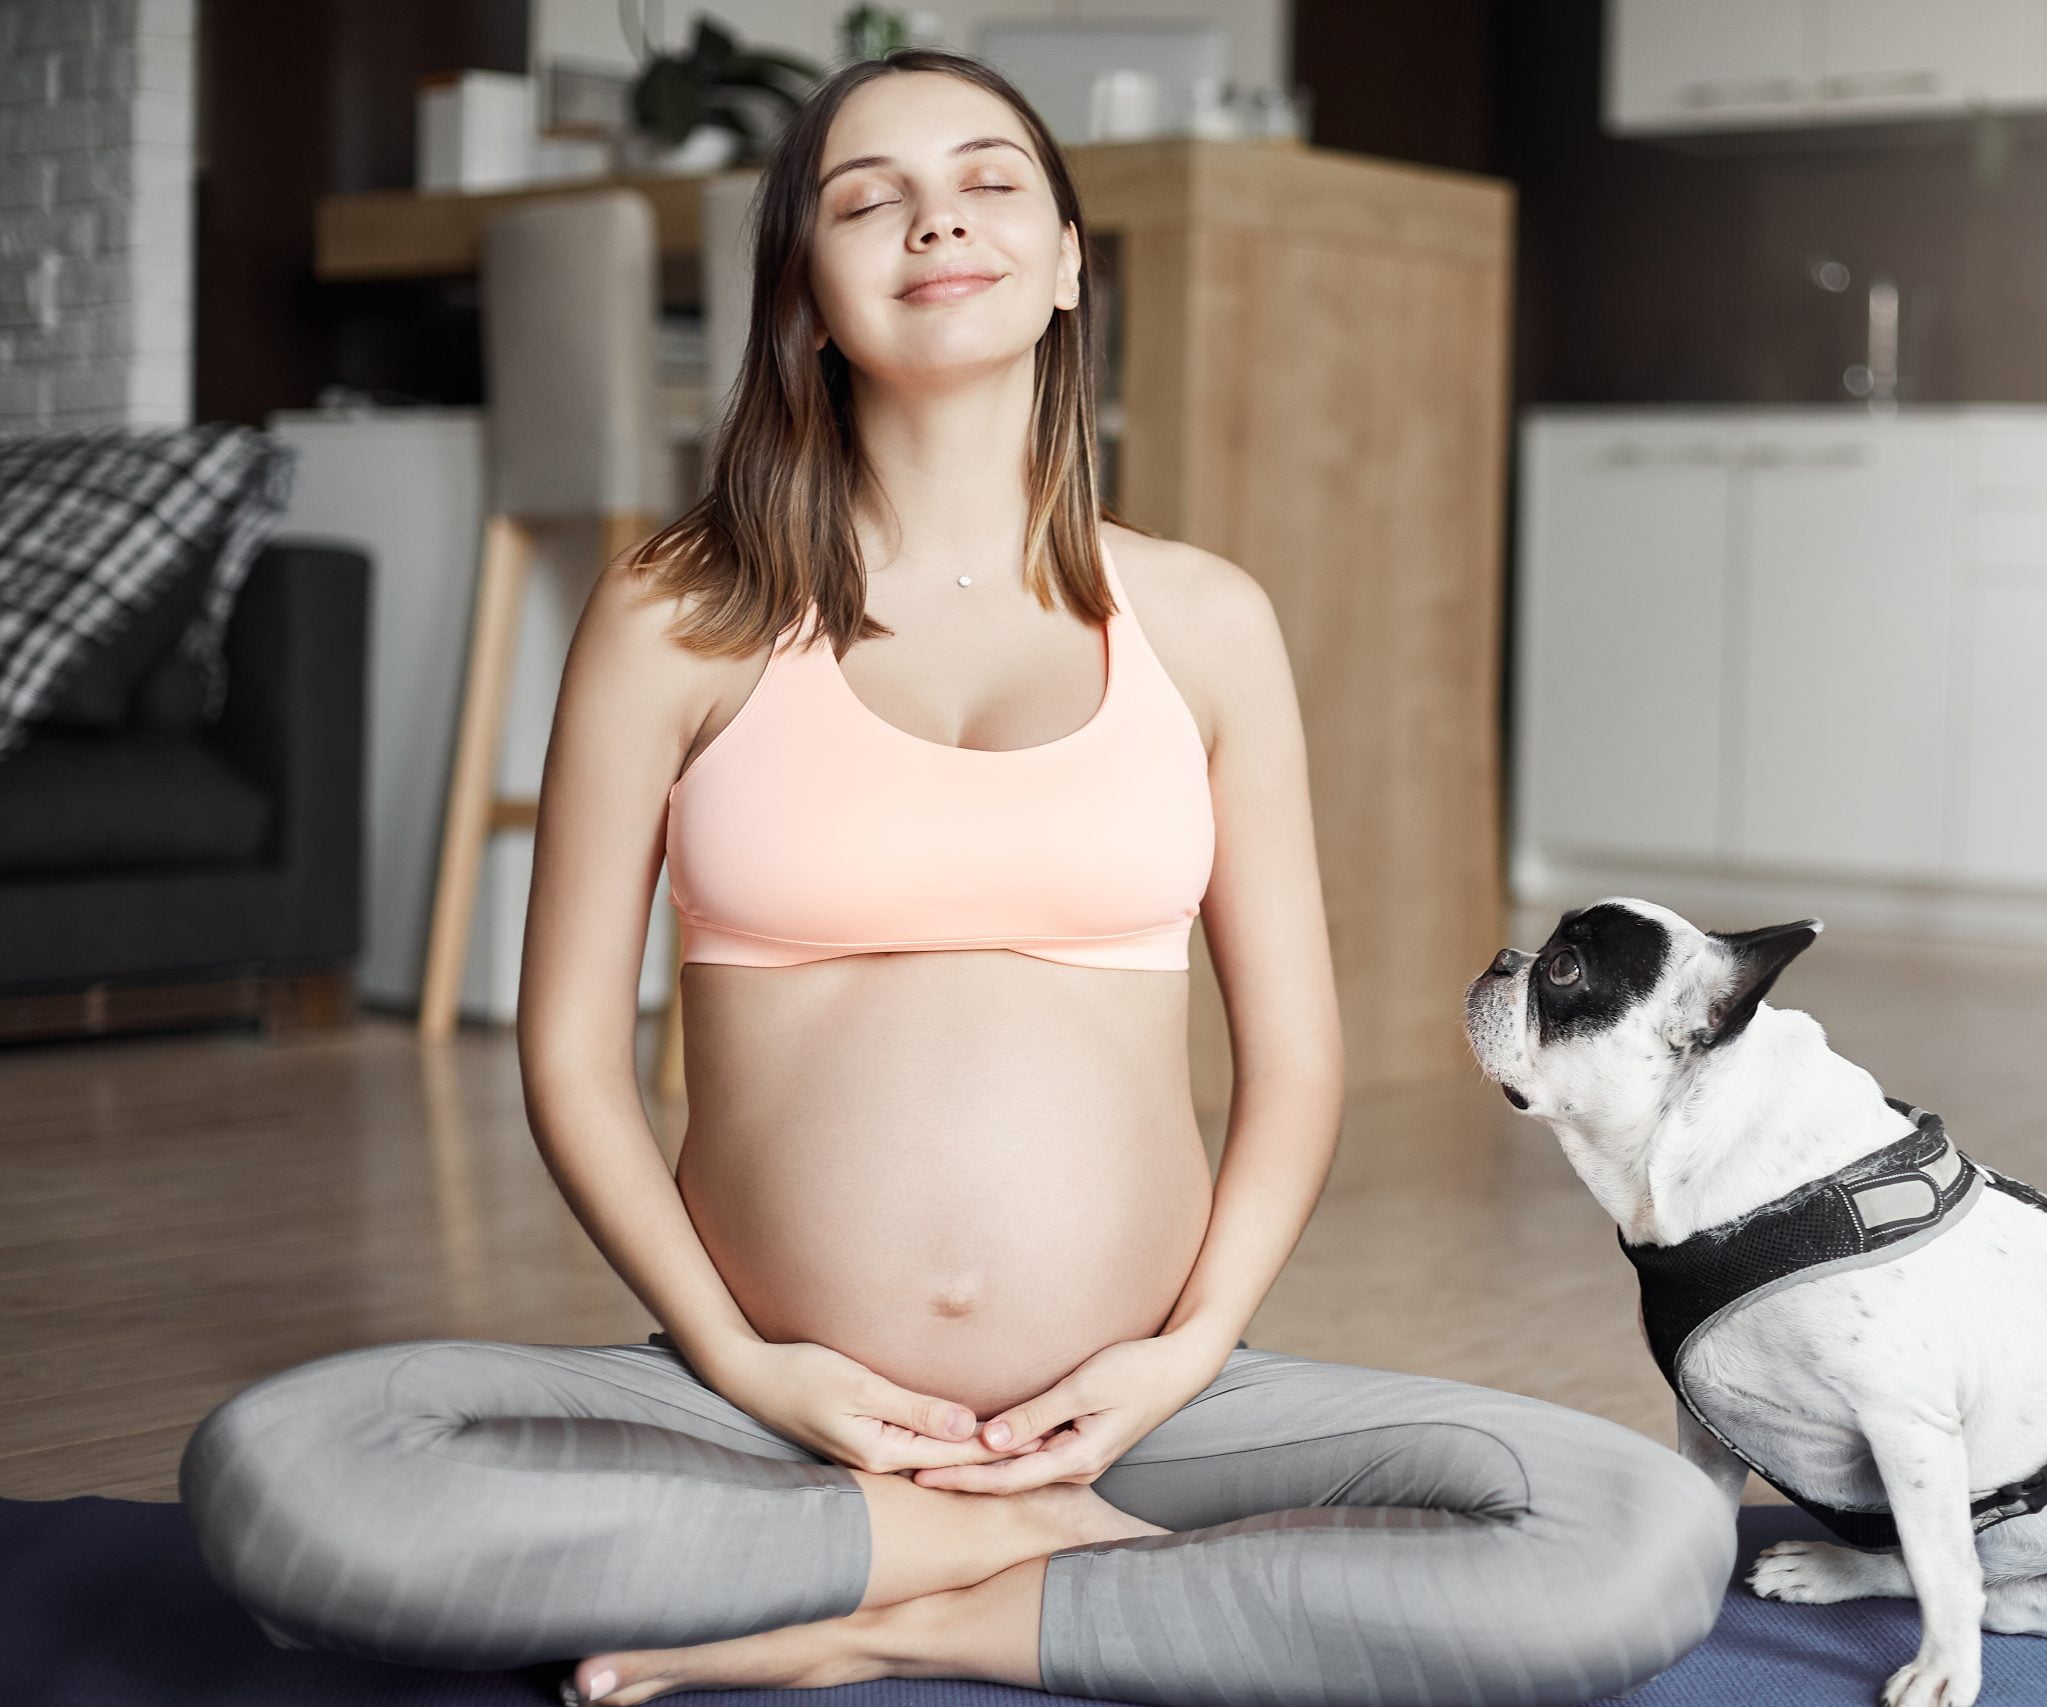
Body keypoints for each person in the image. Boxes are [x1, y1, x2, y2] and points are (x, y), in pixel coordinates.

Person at [177, 47, 1736, 1707]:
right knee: (286, 1472)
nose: (937, 222)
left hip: (1144, 1411)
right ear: (807, 288)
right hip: (755, 1409)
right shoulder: (672, 612)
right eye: (870, 199)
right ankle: (984, 1550)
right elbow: (569, 1054)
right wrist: (745, 1364)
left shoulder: (1205, 620)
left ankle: (904, 1609)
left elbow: (1295, 1063)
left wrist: (1183, 1357)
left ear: (1068, 261)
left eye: (991, 182)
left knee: (1636, 1527)